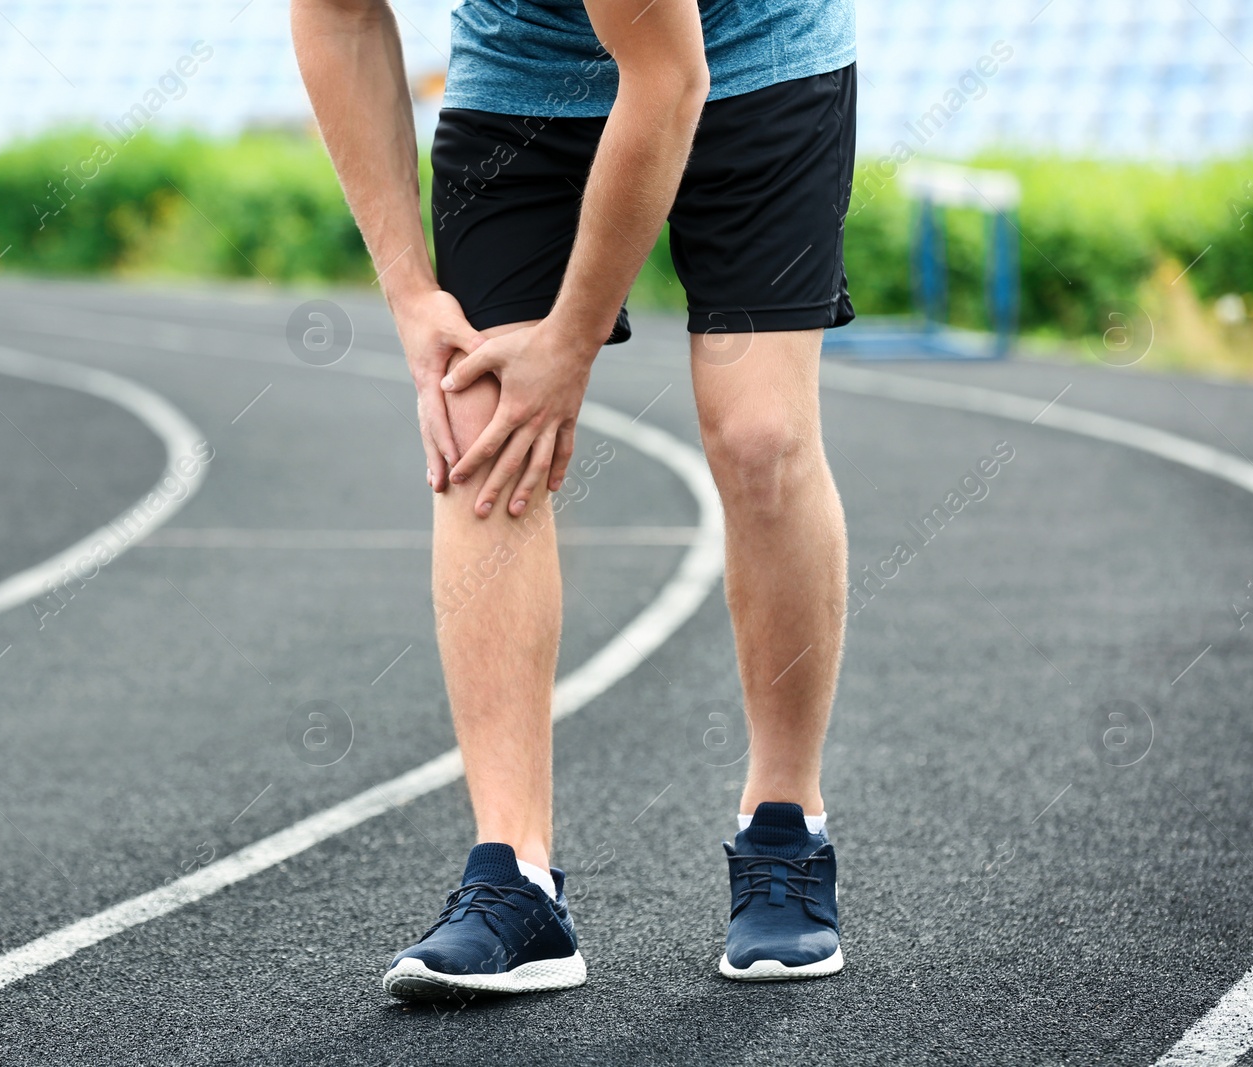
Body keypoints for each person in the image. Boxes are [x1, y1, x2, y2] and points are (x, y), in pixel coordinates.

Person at [292, 0, 856, 997]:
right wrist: (411, 295)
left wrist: (568, 343)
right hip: (524, 73)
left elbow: (668, 78)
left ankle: (785, 822)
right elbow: (335, 18)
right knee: (478, 421)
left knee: (759, 435)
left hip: (752, 50)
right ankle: (515, 879)